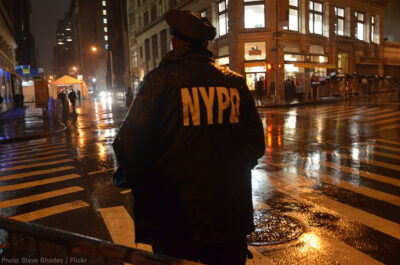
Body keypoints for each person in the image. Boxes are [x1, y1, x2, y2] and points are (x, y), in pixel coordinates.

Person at [113, 9, 265, 265]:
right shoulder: (236, 84)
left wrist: (133, 179)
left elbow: (128, 145)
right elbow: (255, 145)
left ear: (174, 42)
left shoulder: (158, 82)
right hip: (229, 219)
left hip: (175, 223)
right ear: (207, 44)